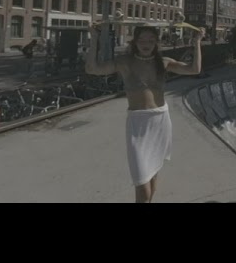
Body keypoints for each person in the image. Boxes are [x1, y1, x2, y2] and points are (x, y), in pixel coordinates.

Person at [85, 22, 205, 203]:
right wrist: (94, 38)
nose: (146, 43)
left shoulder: (163, 62)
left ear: (157, 42)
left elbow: (194, 69)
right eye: (142, 39)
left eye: (150, 39)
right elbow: (92, 69)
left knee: (153, 172)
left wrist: (197, 42)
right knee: (142, 182)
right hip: (138, 124)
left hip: (160, 121)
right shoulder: (125, 62)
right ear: (135, 42)